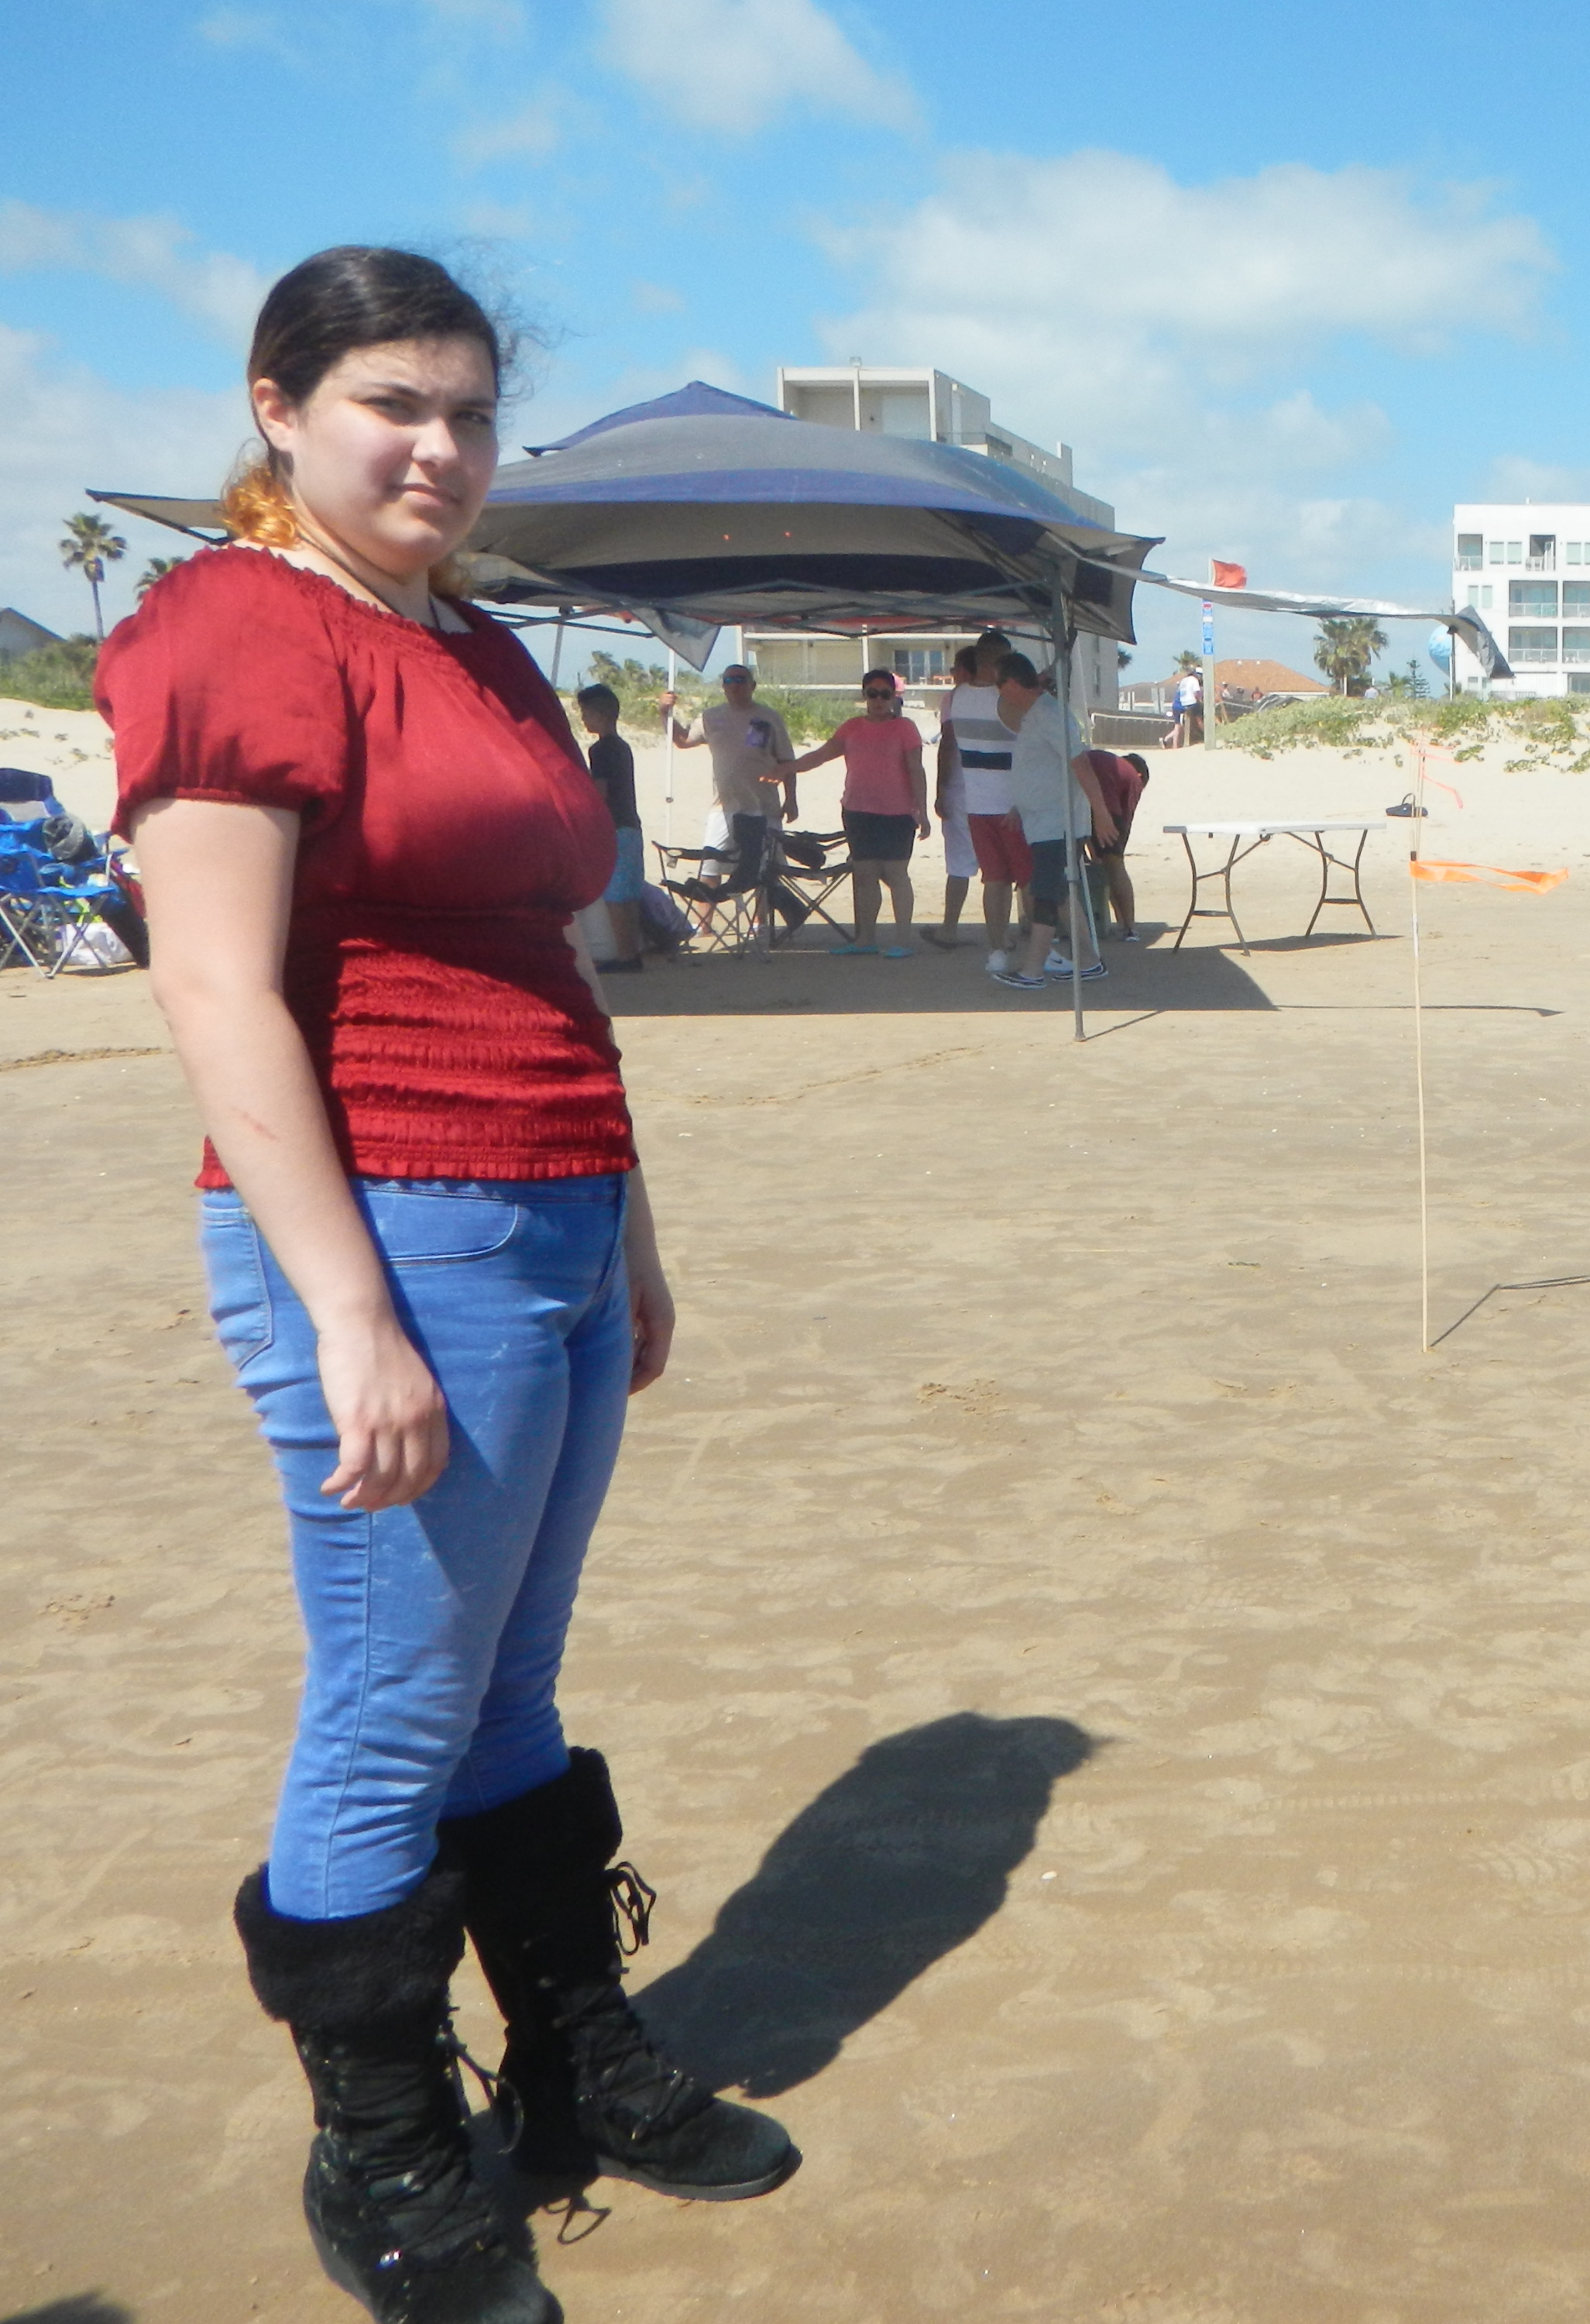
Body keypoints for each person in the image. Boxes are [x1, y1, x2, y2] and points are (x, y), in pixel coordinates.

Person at [101, 245, 794, 2324]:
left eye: (471, 412)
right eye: (395, 403)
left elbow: (551, 962)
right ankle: (383, 2156)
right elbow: (216, 986)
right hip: (390, 1224)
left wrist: (632, 1225)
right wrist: (345, 1308)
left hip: (556, 1211)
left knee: (507, 1689)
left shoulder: (479, 648)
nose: (439, 446)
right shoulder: (228, 626)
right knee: (398, 1699)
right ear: (279, 405)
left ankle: (572, 2069)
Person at [990, 653, 1115, 989]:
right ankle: (1089, 961)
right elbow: (1043, 768)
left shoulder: (1049, 715)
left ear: (1013, 683)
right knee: (1060, 894)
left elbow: (1081, 765)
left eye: (1000, 685)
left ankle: (1032, 970)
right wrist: (1020, 805)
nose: (999, 693)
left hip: (1058, 824)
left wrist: (1100, 813)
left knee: (1046, 892)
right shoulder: (1037, 715)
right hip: (1042, 820)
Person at [660, 664, 806, 942]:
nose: (735, 685)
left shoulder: (769, 717)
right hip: (724, 807)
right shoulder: (711, 717)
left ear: (753, 685)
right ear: (723, 685)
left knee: (765, 869)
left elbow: (788, 762)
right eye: (729, 680)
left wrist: (792, 800)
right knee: (710, 867)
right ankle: (703, 925)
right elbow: (682, 740)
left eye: (741, 679)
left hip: (764, 806)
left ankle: (760, 922)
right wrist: (665, 713)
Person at [788, 666, 928, 957]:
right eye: (873, 694)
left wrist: (923, 812)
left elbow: (917, 770)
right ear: (864, 695)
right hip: (858, 810)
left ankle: (903, 940)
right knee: (864, 875)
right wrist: (786, 768)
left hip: (898, 812)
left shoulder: (905, 728)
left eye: (885, 694)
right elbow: (821, 756)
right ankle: (866, 939)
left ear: (894, 697)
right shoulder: (852, 727)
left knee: (895, 873)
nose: (878, 700)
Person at [943, 638, 1032, 977]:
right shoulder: (1005, 698)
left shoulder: (958, 696)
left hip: (976, 802)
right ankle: (1043, 948)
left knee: (994, 879)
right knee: (1028, 879)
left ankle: (997, 949)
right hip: (1014, 801)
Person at [575, 681, 647, 971]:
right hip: (631, 822)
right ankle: (632, 950)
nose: (583, 719)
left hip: (615, 825)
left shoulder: (601, 750)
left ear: (599, 714)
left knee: (615, 896)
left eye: (585, 713)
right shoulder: (622, 747)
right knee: (629, 892)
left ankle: (624, 955)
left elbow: (601, 792)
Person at [921, 648, 982, 950]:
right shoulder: (1001, 696)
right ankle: (1005, 933)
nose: (952, 672)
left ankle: (950, 928)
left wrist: (940, 790)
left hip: (962, 787)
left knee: (959, 861)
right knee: (1000, 867)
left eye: (955, 667)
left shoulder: (956, 699)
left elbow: (948, 744)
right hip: (999, 787)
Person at [1079, 744, 1149, 943]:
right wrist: (1117, 850)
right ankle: (1129, 927)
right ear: (1141, 776)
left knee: (1072, 864)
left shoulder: (1110, 762)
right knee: (1115, 866)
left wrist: (1093, 851)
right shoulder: (1134, 778)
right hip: (1105, 809)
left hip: (1077, 796)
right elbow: (1126, 817)